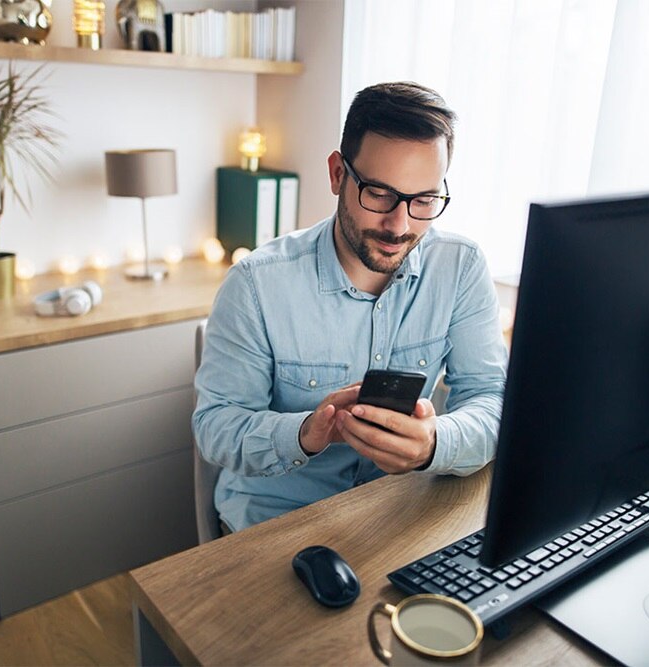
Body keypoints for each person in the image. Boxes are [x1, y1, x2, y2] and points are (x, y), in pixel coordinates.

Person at [193, 82, 508, 533]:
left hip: (399, 515)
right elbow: (215, 428)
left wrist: (435, 442)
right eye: (379, 193)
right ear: (338, 173)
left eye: (423, 200)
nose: (399, 225)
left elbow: (492, 398)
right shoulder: (256, 284)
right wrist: (305, 434)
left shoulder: (461, 267)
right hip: (278, 524)